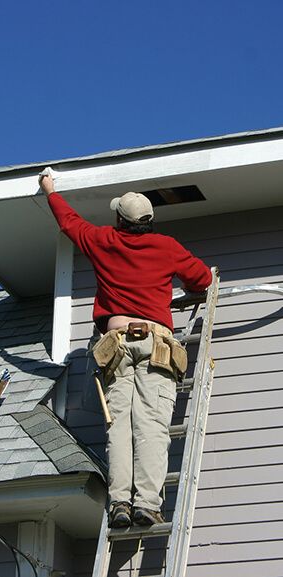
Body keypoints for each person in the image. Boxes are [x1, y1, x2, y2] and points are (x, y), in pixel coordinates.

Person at [39, 172, 212, 528]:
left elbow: (69, 223)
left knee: (118, 427)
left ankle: (120, 503)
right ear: (148, 221)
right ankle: (146, 504)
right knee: (152, 426)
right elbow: (203, 280)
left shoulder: (103, 240)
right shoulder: (166, 247)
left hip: (114, 346)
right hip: (156, 344)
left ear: (120, 219)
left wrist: (50, 190)